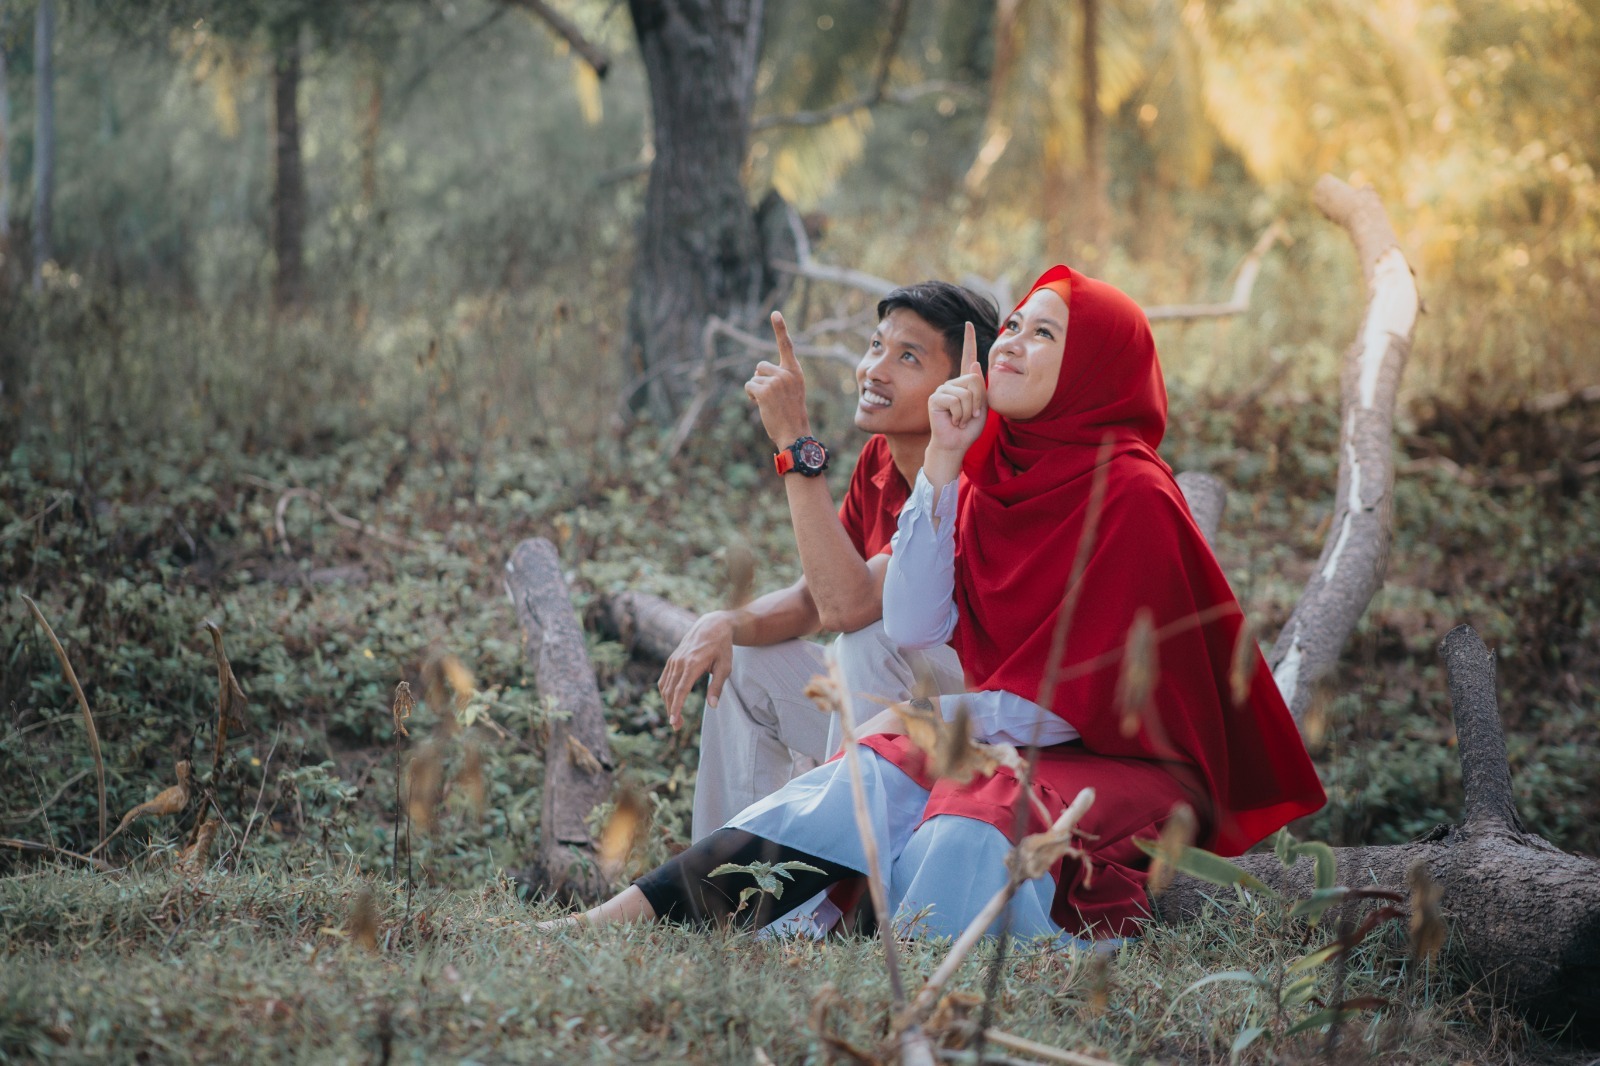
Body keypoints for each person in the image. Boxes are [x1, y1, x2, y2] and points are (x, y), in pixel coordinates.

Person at [560, 265, 1325, 943]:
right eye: (1015, 325)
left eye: (1045, 334)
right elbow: (912, 621)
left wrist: (931, 719)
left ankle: (826, 918)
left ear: (1095, 365)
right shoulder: (989, 467)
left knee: (955, 835)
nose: (1013, 343)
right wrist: (947, 464)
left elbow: (1091, 698)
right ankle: (661, 915)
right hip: (1012, 737)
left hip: (1116, 759)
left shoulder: (1132, 494)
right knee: (872, 777)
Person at [661, 282, 1000, 842]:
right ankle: (727, 876)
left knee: (869, 640)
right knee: (747, 663)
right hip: (894, 712)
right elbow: (812, 599)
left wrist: (795, 442)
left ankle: (838, 868)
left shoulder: (972, 478)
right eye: (877, 345)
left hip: (980, 732)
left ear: (962, 384)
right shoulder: (880, 460)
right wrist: (726, 623)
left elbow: (849, 607)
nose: (875, 370)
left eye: (908, 357)